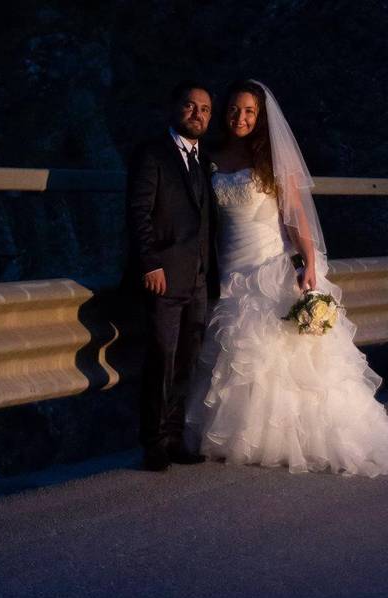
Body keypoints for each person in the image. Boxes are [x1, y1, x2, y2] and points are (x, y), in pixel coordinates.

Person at [185, 80, 388, 482]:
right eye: (235, 110)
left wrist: (308, 261)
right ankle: (240, 434)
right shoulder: (214, 156)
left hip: (268, 263)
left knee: (281, 354)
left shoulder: (271, 159)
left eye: (250, 112)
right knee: (238, 351)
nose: (241, 118)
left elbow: (294, 215)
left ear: (261, 117)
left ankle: (285, 437)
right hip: (231, 268)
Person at [126, 82, 216, 472]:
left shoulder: (203, 158)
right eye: (190, 106)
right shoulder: (152, 153)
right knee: (160, 358)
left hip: (198, 278)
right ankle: (153, 443)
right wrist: (150, 263)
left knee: (187, 361)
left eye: (205, 109)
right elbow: (138, 212)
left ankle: (176, 438)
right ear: (175, 108)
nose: (197, 114)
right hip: (163, 276)